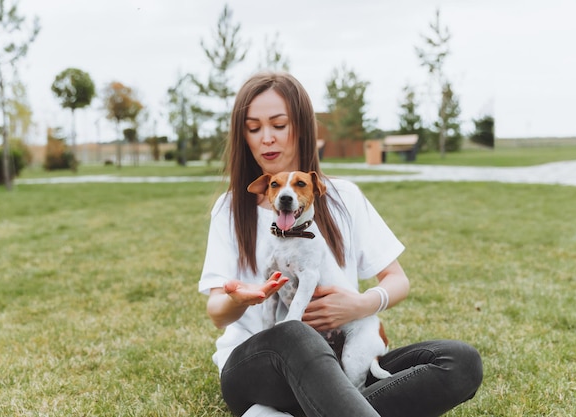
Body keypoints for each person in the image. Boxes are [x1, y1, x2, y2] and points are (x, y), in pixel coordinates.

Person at [199, 71, 483, 417]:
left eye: (278, 125)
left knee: (459, 362)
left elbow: (397, 280)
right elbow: (216, 313)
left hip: (339, 363)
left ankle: (311, 408)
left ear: (301, 128)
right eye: (254, 128)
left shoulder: (344, 197)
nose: (267, 139)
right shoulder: (230, 209)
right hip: (258, 369)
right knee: (294, 332)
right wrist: (238, 300)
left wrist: (361, 305)